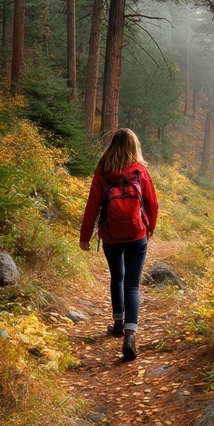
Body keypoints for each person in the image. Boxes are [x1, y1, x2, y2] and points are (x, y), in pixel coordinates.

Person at [79, 128, 158, 362]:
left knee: (117, 278)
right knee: (132, 284)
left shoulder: (102, 171)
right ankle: (130, 336)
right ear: (134, 146)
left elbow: (92, 206)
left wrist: (85, 237)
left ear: (112, 145)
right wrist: (150, 227)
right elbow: (153, 203)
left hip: (111, 235)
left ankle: (118, 322)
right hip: (136, 234)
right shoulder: (140, 171)